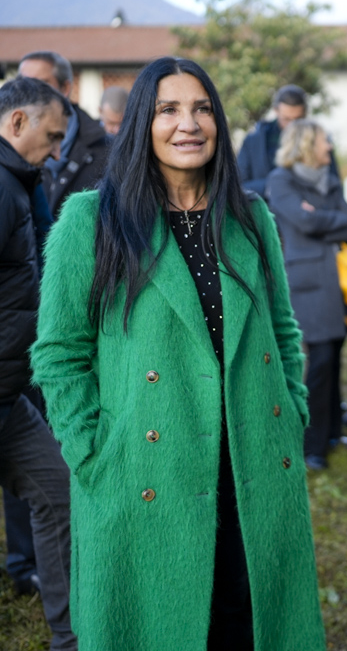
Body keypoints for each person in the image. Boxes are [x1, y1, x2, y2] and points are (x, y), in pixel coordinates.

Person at [30, 57, 326, 650]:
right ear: (142, 122)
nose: (188, 123)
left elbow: (284, 332)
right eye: (168, 109)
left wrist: (291, 412)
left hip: (253, 467)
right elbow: (60, 353)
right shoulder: (91, 221)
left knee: (248, 626)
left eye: (202, 108)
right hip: (145, 473)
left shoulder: (250, 217)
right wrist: (92, 452)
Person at [0, 76, 76, 651]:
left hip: (10, 396)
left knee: (58, 493)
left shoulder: (20, 183)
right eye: (51, 137)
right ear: (17, 122)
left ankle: (71, 638)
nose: (57, 151)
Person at [266, 119, 347, 471]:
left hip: (337, 280)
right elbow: (302, 222)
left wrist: (321, 215)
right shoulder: (282, 179)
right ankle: (311, 447)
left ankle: (333, 432)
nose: (330, 147)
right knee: (318, 362)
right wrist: (324, 219)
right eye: (325, 141)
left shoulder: (330, 180)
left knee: (333, 355)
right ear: (307, 144)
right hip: (307, 281)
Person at [18, 50, 110, 216]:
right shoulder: (9, 149)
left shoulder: (108, 150)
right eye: (24, 85)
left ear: (65, 88)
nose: (29, 94)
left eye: (41, 85)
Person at [237, 84, 333, 198]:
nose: (291, 126)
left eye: (297, 120)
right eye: (286, 119)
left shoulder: (319, 140)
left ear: (305, 114)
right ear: (276, 110)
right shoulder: (254, 141)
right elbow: (238, 186)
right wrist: (274, 186)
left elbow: (333, 184)